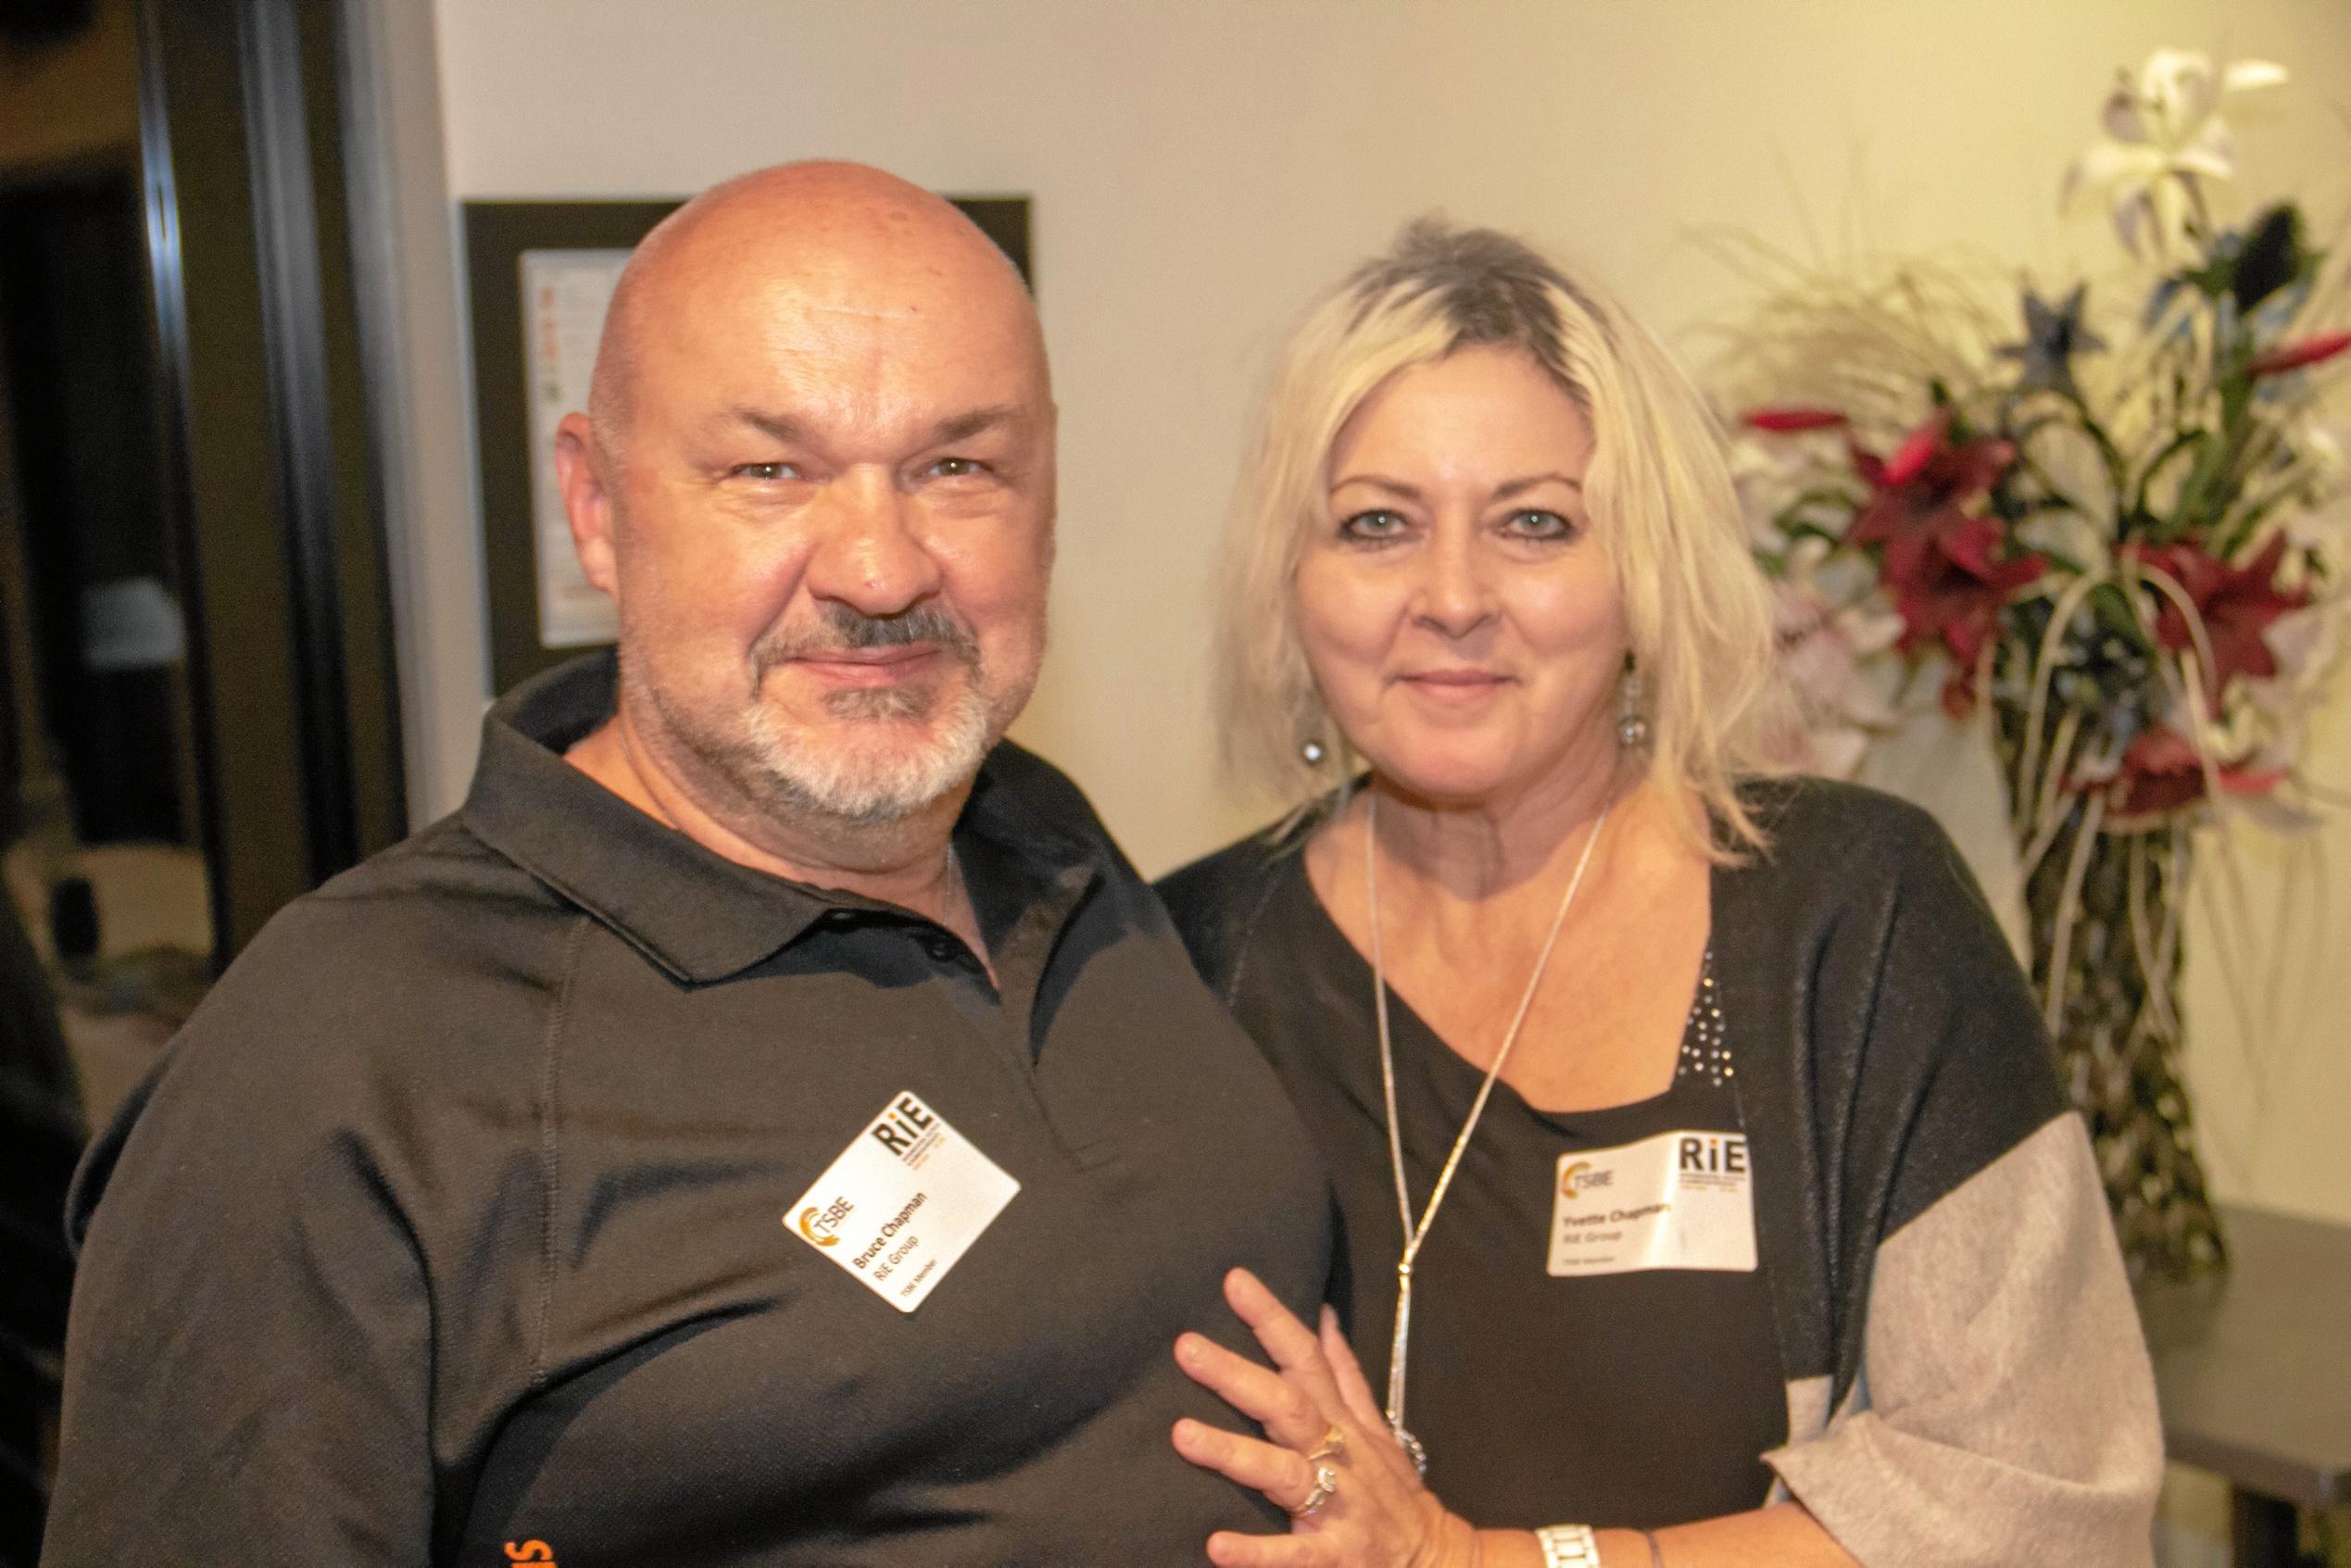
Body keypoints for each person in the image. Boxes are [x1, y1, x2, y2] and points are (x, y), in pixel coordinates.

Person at [42, 162, 1331, 1565]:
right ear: (596, 506)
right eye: (769, 470)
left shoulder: (1046, 837)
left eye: (955, 466)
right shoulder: (340, 1063)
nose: (881, 567)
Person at [1155, 220, 2162, 1568]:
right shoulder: (1180, 964)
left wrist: (1470, 1562)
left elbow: (2028, 1491)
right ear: (1295, 585)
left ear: (1644, 575)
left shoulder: (1850, 920)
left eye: (1534, 522)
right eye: (1377, 523)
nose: (1451, 597)